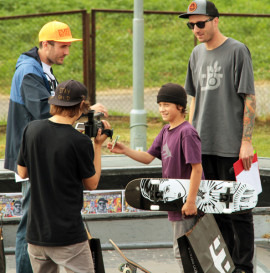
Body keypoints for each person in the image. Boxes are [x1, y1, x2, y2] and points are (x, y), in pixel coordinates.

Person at [4, 20, 108, 273]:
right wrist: (86, 110)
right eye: (62, 46)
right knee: (31, 224)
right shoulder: (29, 71)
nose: (67, 51)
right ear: (45, 44)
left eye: (68, 46)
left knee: (34, 222)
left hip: (38, 152)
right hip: (35, 155)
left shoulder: (41, 68)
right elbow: (45, 112)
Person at [179, 1, 256, 272]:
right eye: (191, 24)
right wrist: (186, 135)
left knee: (239, 211)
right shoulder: (196, 53)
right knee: (211, 211)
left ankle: (243, 267)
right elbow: (193, 98)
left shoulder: (237, 50)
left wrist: (245, 141)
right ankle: (221, 265)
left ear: (215, 20)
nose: (196, 29)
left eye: (200, 23)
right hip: (202, 145)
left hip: (231, 146)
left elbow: (249, 97)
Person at [17, 79, 110, 273]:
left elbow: (22, 172)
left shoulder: (31, 129)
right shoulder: (80, 141)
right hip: (67, 236)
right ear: (81, 107)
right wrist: (98, 146)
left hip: (36, 234)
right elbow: (92, 184)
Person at [108, 83, 203, 272]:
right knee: (183, 249)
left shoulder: (187, 133)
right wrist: (125, 150)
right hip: (173, 201)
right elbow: (148, 158)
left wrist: (191, 201)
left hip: (185, 203)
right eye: (160, 104)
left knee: (183, 251)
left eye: (166, 104)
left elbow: (197, 168)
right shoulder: (165, 131)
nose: (161, 109)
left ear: (180, 107)